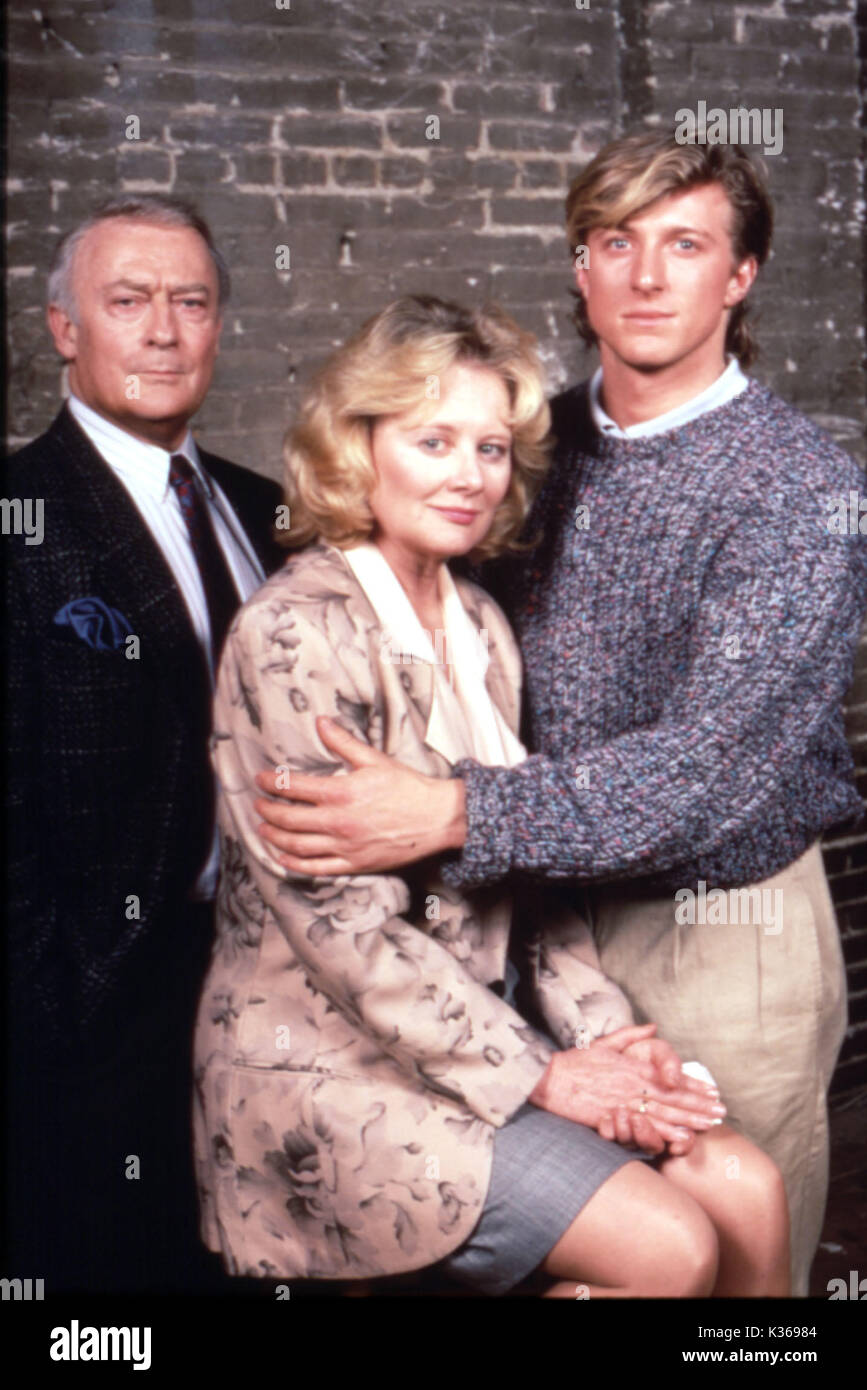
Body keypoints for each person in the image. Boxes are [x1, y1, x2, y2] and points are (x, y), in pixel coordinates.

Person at [251, 133, 867, 1297]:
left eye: (686, 245)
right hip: (527, 924)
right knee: (618, 1257)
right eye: (614, 243)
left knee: (740, 1251)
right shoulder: (524, 449)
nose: (647, 276)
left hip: (712, 924)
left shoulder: (803, 491)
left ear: (740, 277)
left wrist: (453, 812)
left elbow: (702, 773)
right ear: (580, 268)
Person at [194, 294, 789, 1298]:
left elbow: (531, 876)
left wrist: (606, 1040)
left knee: (746, 1188)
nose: (469, 475)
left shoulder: (479, 624)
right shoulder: (294, 633)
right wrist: (549, 1073)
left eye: (490, 448)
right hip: (332, 1064)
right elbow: (340, 930)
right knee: (669, 1247)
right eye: (433, 441)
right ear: (358, 446)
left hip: (482, 1033)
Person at [3, 195, 285, 1292]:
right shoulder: (18, 516)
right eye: (128, 302)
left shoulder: (267, 512)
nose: (164, 331)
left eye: (191, 302)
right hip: (97, 1004)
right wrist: (54, 1005)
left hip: (273, 978)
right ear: (64, 328)